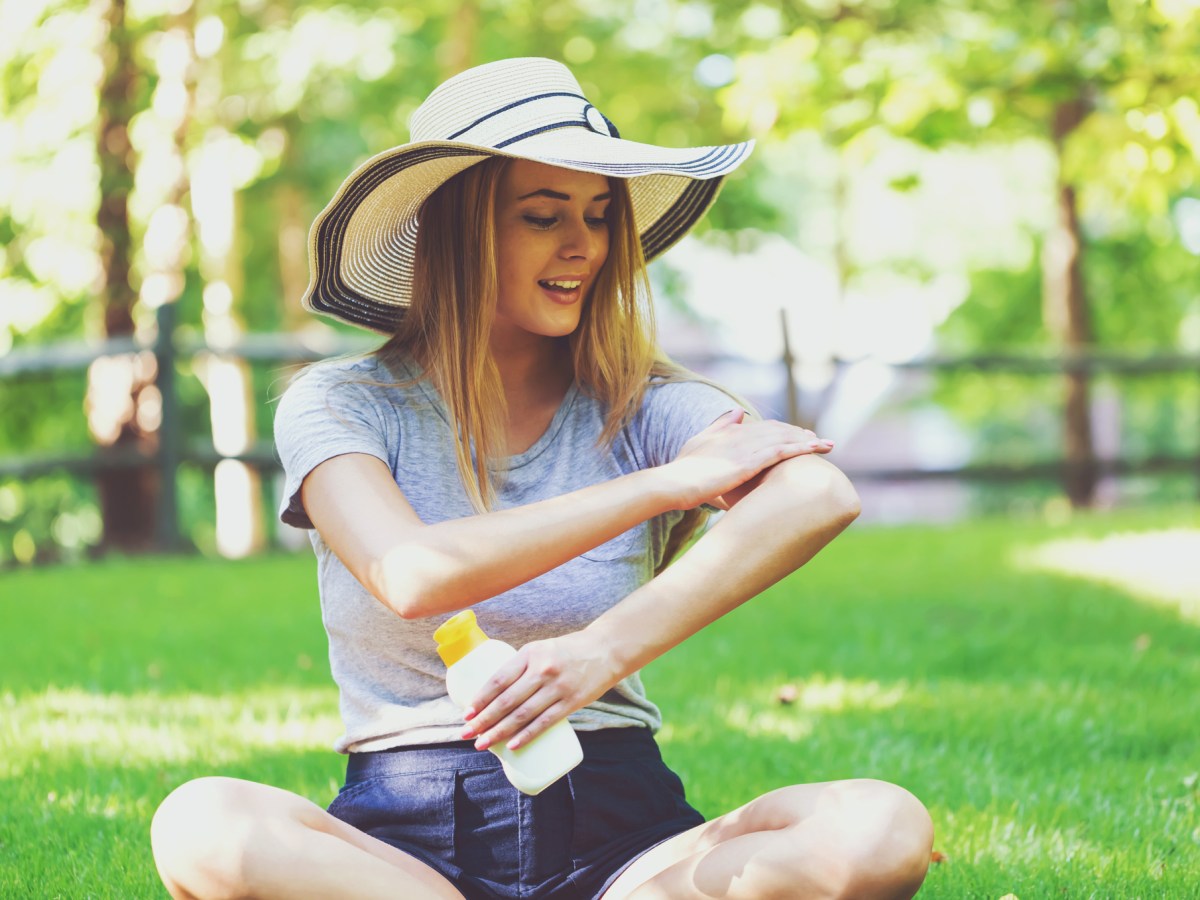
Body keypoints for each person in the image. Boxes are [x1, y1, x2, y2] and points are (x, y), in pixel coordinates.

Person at [150, 58, 933, 900]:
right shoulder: (341, 403)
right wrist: (662, 488)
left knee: (880, 827)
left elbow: (818, 493)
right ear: (457, 229)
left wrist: (596, 655)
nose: (583, 246)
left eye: (599, 215)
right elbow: (411, 574)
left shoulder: (649, 406)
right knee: (200, 822)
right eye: (541, 215)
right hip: (405, 857)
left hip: (628, 842)